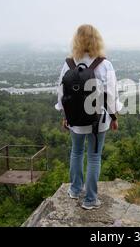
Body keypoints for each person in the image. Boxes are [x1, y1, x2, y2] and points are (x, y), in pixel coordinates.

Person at [55, 24, 121, 210]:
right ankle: (90, 199)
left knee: (76, 152)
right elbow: (111, 94)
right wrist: (114, 116)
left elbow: (61, 94)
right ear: (97, 41)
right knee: (94, 157)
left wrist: (65, 115)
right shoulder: (104, 65)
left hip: (75, 120)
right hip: (97, 121)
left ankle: (75, 190)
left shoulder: (68, 64)